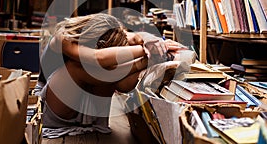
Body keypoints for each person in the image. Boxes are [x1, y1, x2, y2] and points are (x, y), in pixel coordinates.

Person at [36, 13, 189, 138]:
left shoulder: (112, 32)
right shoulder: (62, 38)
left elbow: (136, 37)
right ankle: (149, 63)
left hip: (91, 111)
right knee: (79, 67)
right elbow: (98, 58)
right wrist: (146, 53)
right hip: (55, 109)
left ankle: (154, 65)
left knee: (112, 71)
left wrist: (151, 41)